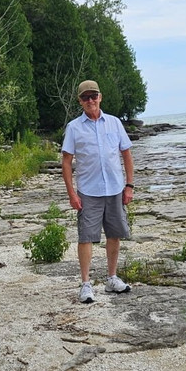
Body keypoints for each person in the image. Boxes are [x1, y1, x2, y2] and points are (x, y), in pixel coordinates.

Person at [61, 80, 135, 303]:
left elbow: (127, 154)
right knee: (86, 237)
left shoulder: (114, 123)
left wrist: (129, 185)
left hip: (114, 188)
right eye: (86, 97)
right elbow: (66, 162)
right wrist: (72, 194)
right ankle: (85, 285)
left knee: (114, 234)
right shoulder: (74, 127)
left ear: (100, 97)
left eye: (93, 96)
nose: (90, 100)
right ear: (80, 101)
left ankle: (112, 279)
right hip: (88, 191)